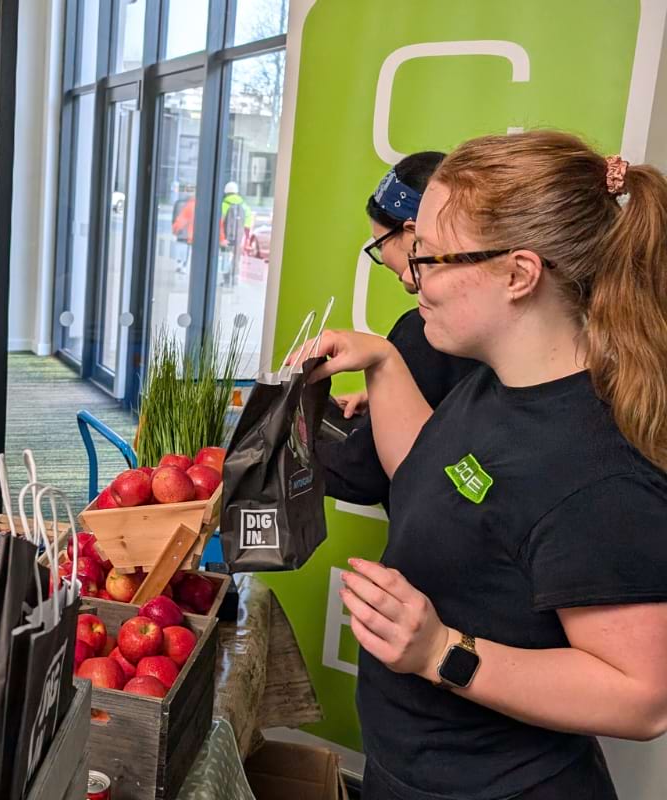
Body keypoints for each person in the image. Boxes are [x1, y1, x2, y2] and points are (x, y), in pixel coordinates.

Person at [300, 131, 667, 799]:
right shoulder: (498, 382)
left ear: (519, 274)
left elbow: (641, 699)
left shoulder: (602, 474)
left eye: (432, 256)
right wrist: (384, 363)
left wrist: (444, 652)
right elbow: (433, 477)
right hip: (412, 767)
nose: (414, 276)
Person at [317, 152, 476, 509]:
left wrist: (281, 445)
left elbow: (365, 474)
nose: (408, 278)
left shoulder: (425, 331)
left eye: (424, 253)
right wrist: (390, 391)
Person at [219, 181, 251, 287]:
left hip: (227, 238)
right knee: (236, 258)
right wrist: (245, 240)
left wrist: (222, 238)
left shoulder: (224, 204)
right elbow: (248, 225)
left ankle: (226, 280)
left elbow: (220, 223)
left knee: (225, 257)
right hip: (239, 238)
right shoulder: (245, 205)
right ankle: (235, 278)